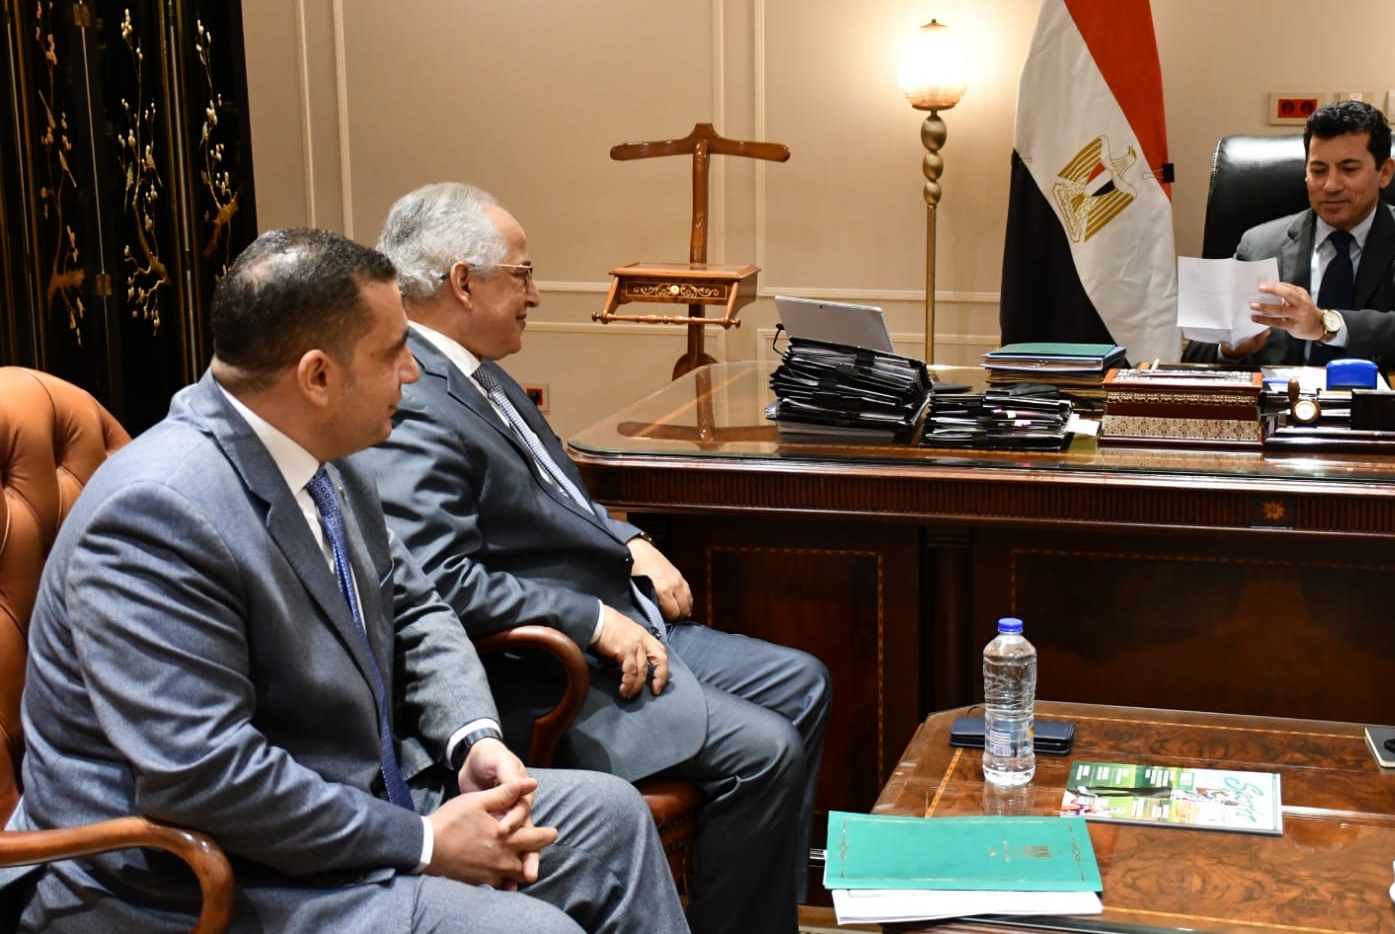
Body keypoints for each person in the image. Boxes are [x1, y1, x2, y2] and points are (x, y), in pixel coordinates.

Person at [6, 229, 688, 933]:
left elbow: (417, 608)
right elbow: (205, 776)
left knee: (611, 821)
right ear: (318, 377)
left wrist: (473, 739)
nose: (413, 372)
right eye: (393, 353)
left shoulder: (330, 453)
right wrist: (424, 844)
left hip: (354, 803)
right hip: (186, 876)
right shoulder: (157, 513)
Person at [350, 182, 832, 934]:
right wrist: (592, 620)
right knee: (765, 751)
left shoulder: (477, 370)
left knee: (803, 683)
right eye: (522, 274)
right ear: (463, 282)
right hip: (549, 670)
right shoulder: (416, 396)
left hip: (619, 619)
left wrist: (629, 541)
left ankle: (752, 914)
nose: (536, 294)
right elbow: (440, 581)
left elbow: (554, 499)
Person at [1202, 100, 1395, 382]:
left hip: (1378, 401)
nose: (1330, 185)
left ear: (1385, 172)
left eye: (1349, 170)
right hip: (1281, 402)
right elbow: (1199, 352)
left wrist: (1324, 324)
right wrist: (1232, 349)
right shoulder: (1259, 245)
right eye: (1318, 171)